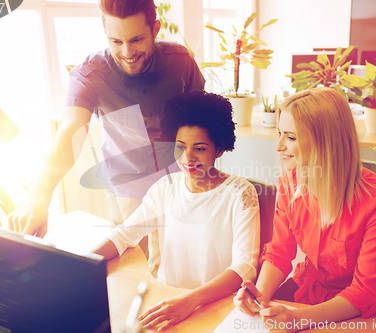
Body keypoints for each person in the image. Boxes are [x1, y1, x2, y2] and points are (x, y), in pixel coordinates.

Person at [7, 0, 205, 248]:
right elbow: (70, 132)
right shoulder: (90, 76)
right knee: (139, 269)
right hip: (130, 194)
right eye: (116, 42)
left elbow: (201, 117)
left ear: (155, 29)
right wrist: (38, 197)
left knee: (186, 258)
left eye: (136, 40)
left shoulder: (181, 61)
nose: (127, 53)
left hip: (181, 183)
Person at [234, 87, 376, 331]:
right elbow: (280, 252)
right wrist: (259, 295)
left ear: (326, 143)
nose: (279, 146)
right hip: (310, 291)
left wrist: (299, 320)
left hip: (363, 310)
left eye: (291, 137)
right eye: (279, 133)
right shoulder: (289, 183)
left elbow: (366, 291)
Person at [92, 91, 260, 332]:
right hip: (166, 302)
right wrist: (80, 263)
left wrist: (191, 300)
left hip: (215, 307)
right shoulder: (164, 188)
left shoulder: (240, 194)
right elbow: (124, 235)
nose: (187, 158)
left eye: (199, 149)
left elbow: (244, 267)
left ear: (219, 149)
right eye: (180, 146)